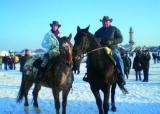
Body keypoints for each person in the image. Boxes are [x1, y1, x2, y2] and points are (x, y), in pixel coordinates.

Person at [83, 16, 126, 87]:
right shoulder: (98, 31)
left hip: (112, 49)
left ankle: (122, 77)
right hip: (101, 49)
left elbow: (121, 38)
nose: (105, 22)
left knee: (119, 59)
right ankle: (88, 75)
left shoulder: (114, 29)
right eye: (103, 21)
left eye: (106, 21)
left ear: (109, 22)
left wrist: (112, 41)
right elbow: (94, 41)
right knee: (89, 59)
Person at [35, 20, 61, 85]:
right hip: (50, 51)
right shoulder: (47, 35)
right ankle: (39, 77)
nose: (55, 27)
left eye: (56, 26)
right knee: (44, 63)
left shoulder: (61, 34)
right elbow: (43, 44)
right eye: (54, 25)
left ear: (58, 27)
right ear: (52, 26)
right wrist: (51, 45)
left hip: (59, 51)